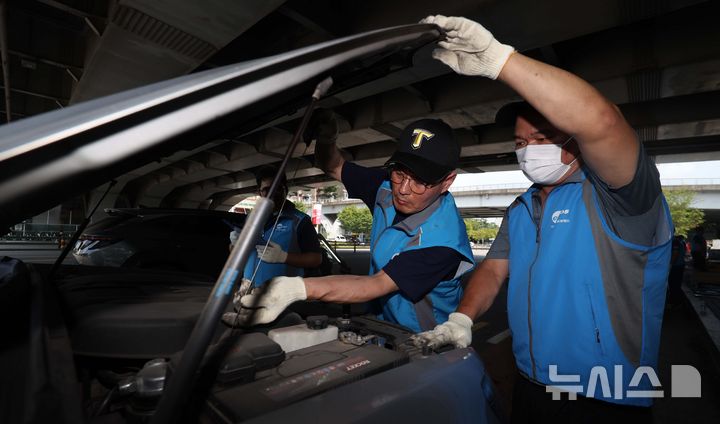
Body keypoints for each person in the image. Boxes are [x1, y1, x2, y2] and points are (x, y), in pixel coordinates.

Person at [412, 15, 672, 422]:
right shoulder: (521, 208)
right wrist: (462, 318)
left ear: (573, 139)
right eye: (520, 142)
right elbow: (494, 270)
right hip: (532, 383)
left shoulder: (622, 197)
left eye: (542, 138)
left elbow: (602, 121)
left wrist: (500, 61)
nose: (528, 150)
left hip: (604, 396)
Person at [235, 116, 475, 333]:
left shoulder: (443, 241)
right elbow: (333, 165)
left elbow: (374, 285)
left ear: (447, 182)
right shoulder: (384, 186)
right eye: (399, 174)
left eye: (420, 181)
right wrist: (327, 138)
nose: (402, 190)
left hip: (425, 345)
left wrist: (295, 289)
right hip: (381, 328)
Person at [667, 234, 686, 307]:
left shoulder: (675, 242)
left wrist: (670, 265)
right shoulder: (677, 241)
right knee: (675, 285)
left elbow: (675, 253)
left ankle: (674, 302)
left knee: (673, 285)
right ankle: (675, 302)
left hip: (676, 266)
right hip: (678, 265)